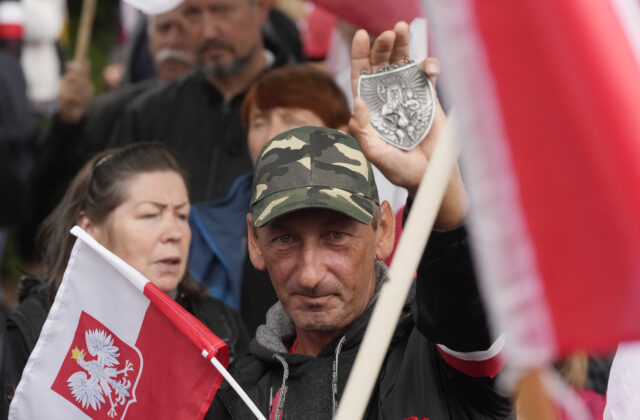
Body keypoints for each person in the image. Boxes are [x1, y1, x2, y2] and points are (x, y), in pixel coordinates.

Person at [208, 22, 512, 418]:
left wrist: (437, 185)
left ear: (384, 229)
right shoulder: (235, 397)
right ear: (254, 241)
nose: (310, 274)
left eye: (336, 235)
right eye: (285, 240)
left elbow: (467, 312)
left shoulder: (439, 356)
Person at [6, 143, 250, 388]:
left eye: (182, 215)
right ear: (90, 230)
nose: (175, 232)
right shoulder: (39, 331)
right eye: (150, 215)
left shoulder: (220, 326)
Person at [21, 2, 201, 266]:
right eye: (164, 28)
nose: (173, 40)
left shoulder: (234, 114)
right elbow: (53, 197)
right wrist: (68, 124)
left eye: (184, 29)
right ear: (148, 39)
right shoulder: (111, 113)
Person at [187, 64, 351, 332]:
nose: (272, 137)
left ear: (340, 135)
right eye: (259, 122)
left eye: (292, 120)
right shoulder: (204, 230)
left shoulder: (368, 216)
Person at [114, 0, 299, 204]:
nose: (208, 31)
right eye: (193, 14)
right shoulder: (148, 114)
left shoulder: (308, 106)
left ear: (262, 9)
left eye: (222, 11)